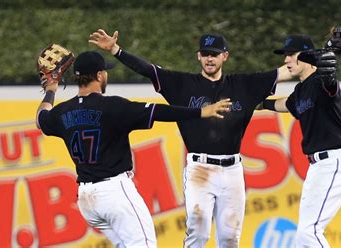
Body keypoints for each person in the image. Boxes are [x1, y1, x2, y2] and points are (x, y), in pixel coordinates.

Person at [88, 29, 292, 247]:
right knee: (198, 234)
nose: (209, 58)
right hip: (200, 170)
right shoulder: (182, 85)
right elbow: (148, 70)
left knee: (230, 238)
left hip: (233, 171)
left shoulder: (243, 85)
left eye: (214, 53)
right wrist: (116, 50)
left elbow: (285, 71)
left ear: (225, 56)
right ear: (198, 56)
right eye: (205, 54)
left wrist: (314, 58)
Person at [35, 50, 232, 248]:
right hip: (114, 193)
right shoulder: (112, 106)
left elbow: (40, 118)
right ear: (99, 75)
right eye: (105, 72)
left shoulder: (62, 112)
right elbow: (159, 111)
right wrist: (200, 111)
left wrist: (51, 89)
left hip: (87, 201)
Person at [257, 34, 341, 248]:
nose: (286, 60)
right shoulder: (301, 90)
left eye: (291, 55)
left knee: (308, 233)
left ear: (307, 57)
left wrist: (328, 62)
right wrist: (260, 103)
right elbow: (286, 104)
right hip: (319, 166)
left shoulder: (322, 81)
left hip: (335, 163)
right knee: (303, 236)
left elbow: (330, 82)